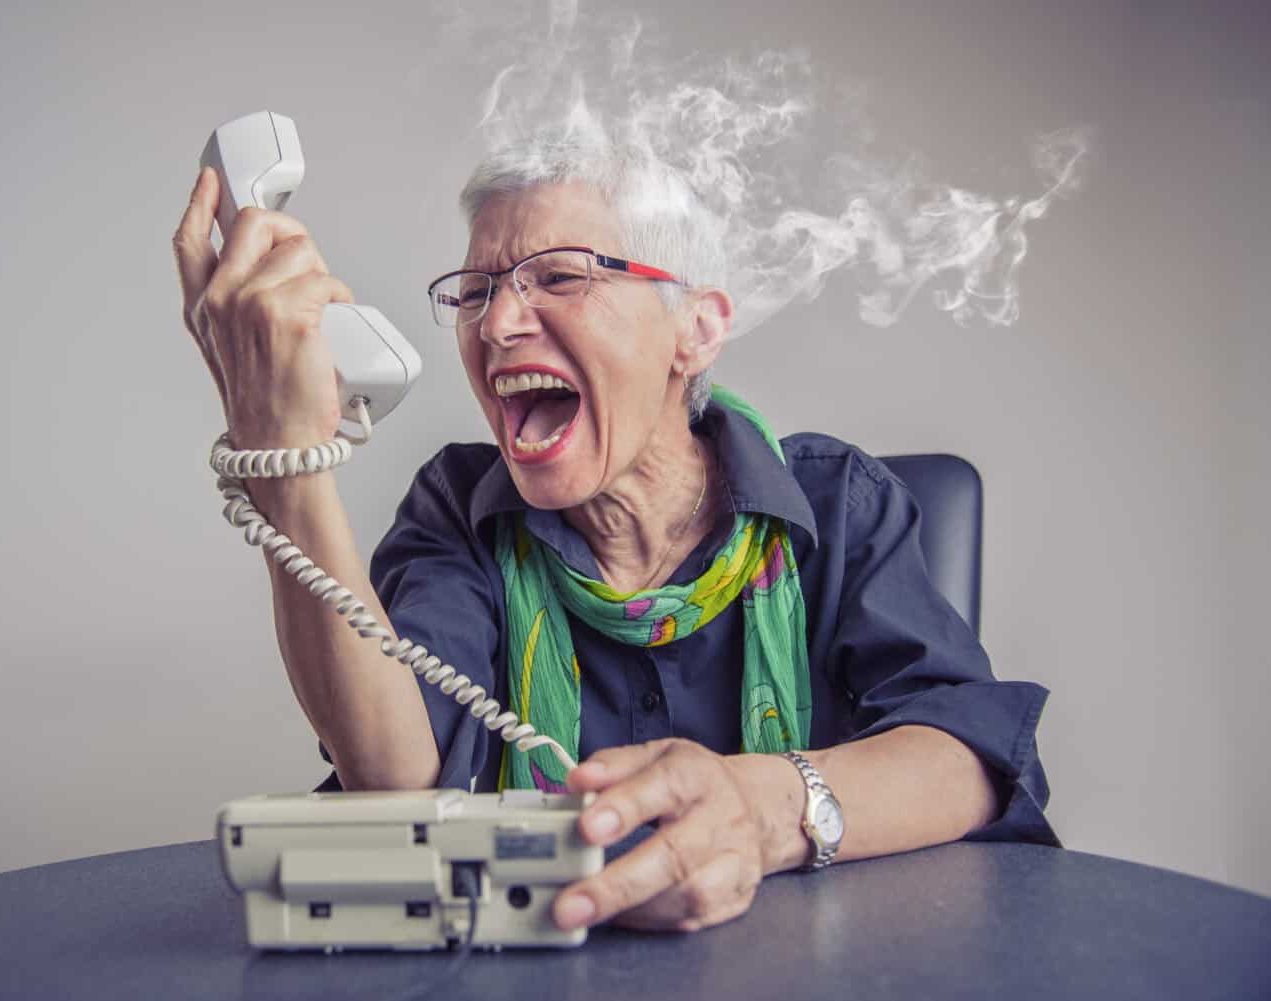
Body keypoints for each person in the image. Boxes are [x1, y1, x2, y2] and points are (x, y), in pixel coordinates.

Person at [171, 135, 1058, 935]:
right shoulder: (459, 508)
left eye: (559, 276)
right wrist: (287, 459)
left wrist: (757, 805)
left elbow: (966, 758)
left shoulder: (838, 503)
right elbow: (398, 783)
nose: (498, 323)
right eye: (476, 290)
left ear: (695, 329)